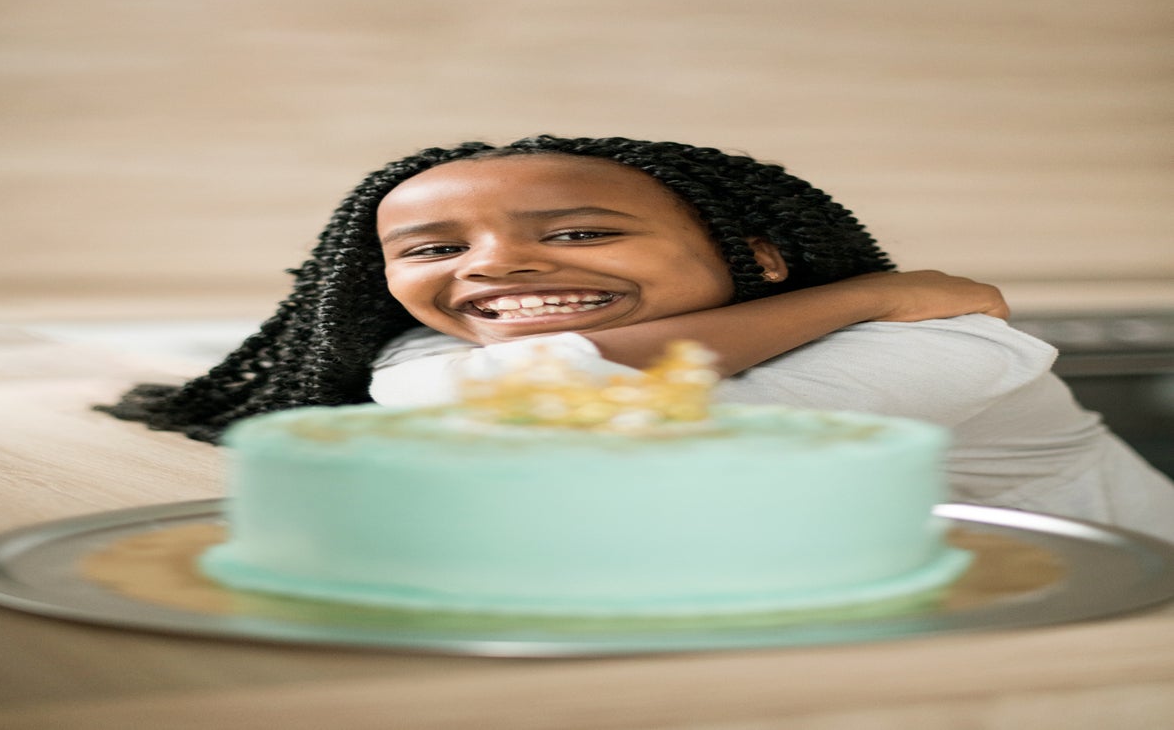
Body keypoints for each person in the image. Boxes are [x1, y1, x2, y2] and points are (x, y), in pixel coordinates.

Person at [101, 135, 1174, 540]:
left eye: (577, 233)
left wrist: (886, 310)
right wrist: (857, 296)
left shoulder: (954, 350)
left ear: (755, 254)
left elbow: (582, 424)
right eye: (434, 248)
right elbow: (482, 398)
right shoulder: (439, 351)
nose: (491, 268)